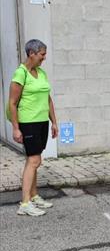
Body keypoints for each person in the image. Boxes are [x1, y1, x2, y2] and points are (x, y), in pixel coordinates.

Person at [8, 39, 58, 217]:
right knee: (34, 160)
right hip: (28, 123)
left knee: (34, 160)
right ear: (31, 53)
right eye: (42, 54)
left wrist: (54, 122)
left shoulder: (41, 72)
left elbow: (48, 99)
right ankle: (25, 203)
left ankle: (34, 196)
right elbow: (12, 103)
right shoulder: (20, 73)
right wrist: (16, 128)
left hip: (42, 122)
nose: (44, 57)